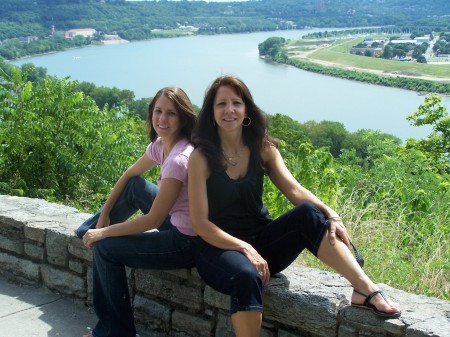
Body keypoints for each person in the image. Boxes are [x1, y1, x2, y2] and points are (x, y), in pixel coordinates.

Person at [188, 75, 401, 337]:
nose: (229, 110)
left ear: (246, 111)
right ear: (211, 113)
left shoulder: (262, 148)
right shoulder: (201, 157)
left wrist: (332, 215)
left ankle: (364, 288)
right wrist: (243, 248)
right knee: (246, 275)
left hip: (262, 244)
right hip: (218, 248)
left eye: (236, 103)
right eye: (221, 104)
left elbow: (294, 190)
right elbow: (200, 223)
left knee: (309, 213)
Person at [75, 86, 198, 337]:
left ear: (183, 117)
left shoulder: (179, 159)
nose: (162, 119)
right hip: (175, 220)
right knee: (135, 185)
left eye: (171, 114)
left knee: (106, 249)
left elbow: (152, 219)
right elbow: (129, 175)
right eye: (158, 111)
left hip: (185, 241)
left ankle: (115, 333)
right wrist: (105, 214)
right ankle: (89, 229)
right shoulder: (161, 144)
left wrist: (106, 234)